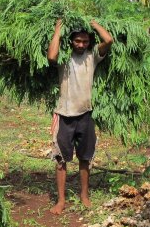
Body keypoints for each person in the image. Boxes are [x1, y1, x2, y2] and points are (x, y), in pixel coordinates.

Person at [47, 19, 113, 215]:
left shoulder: (93, 56)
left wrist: (94, 25)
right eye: (77, 41)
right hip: (64, 115)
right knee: (61, 160)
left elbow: (108, 40)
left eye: (85, 41)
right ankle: (61, 200)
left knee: (85, 158)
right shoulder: (64, 59)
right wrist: (58, 29)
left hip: (85, 114)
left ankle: (84, 195)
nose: (81, 45)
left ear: (89, 42)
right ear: (71, 42)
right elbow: (51, 56)